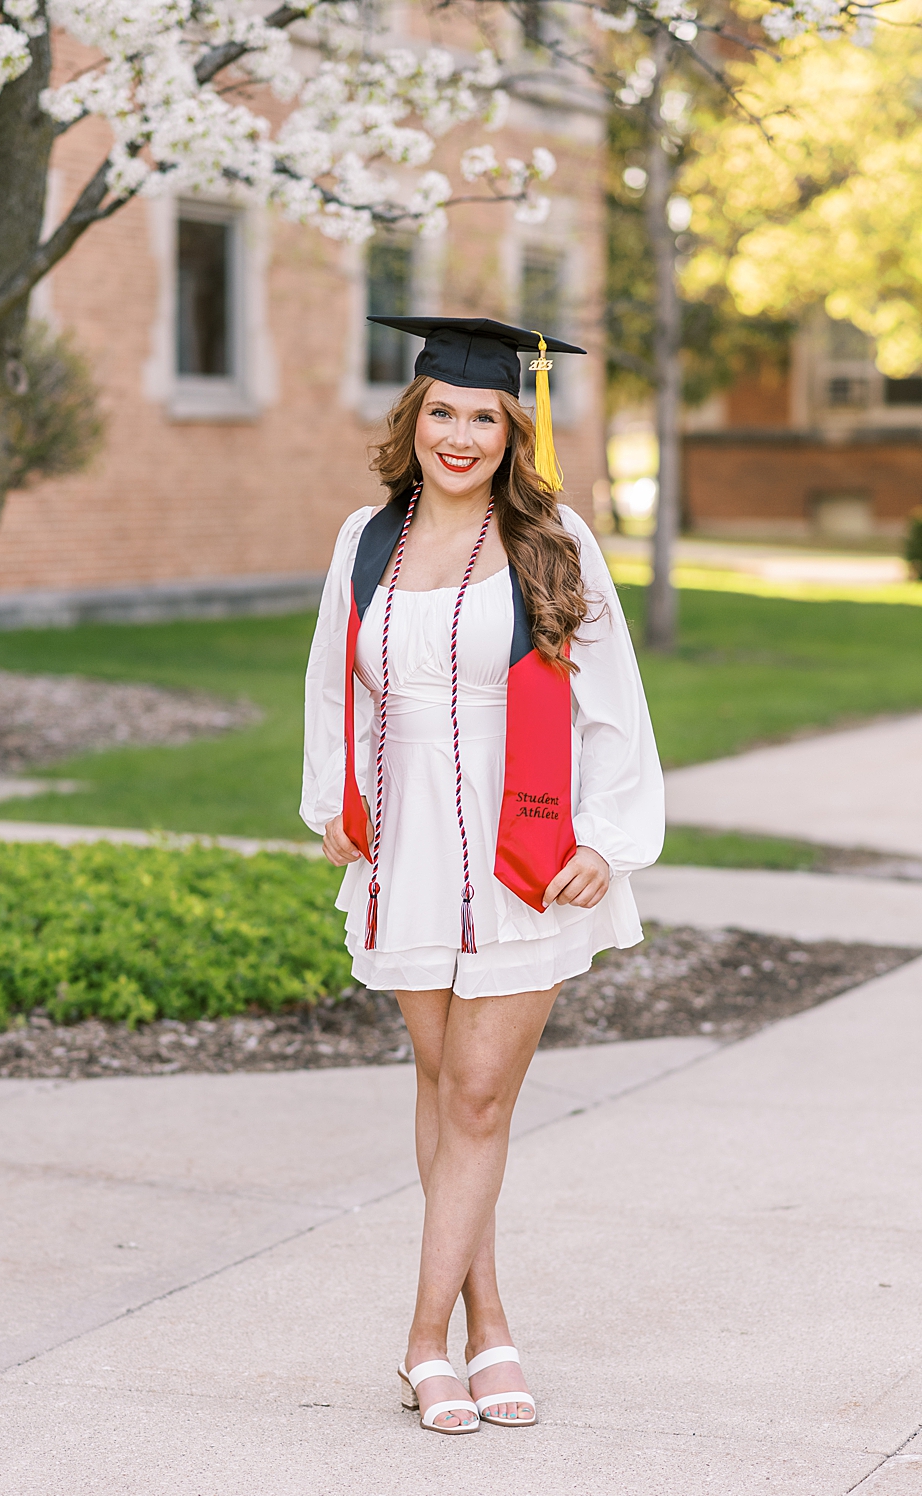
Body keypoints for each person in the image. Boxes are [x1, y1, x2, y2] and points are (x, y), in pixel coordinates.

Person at [299, 317, 664, 1436]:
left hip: (525, 852)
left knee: (474, 1094)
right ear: (412, 421)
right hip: (402, 848)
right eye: (441, 413)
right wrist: (332, 804)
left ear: (514, 431)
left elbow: (613, 706)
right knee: (441, 1090)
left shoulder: (554, 544)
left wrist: (605, 837)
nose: (460, 436)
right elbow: (332, 685)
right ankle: (489, 1324)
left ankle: (421, 1341)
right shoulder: (366, 540)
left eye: (485, 419)